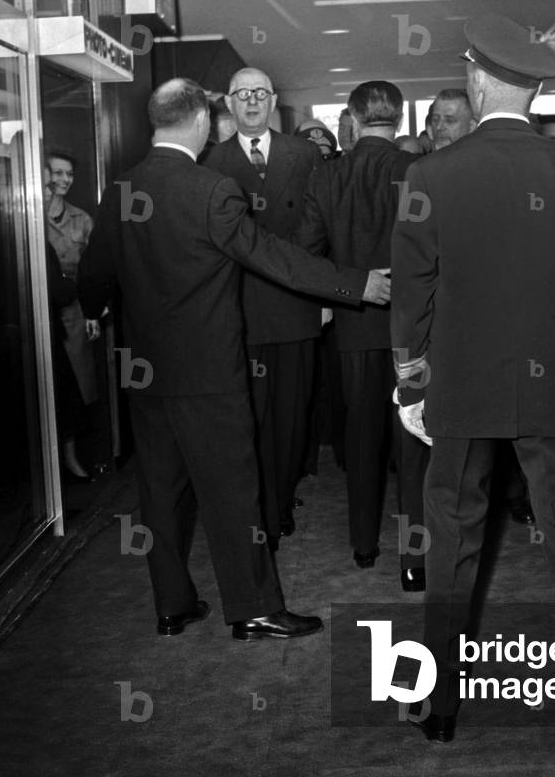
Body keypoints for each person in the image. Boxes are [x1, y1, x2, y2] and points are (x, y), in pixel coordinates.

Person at [79, 78, 389, 641]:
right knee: (232, 492)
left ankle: (172, 605)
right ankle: (253, 609)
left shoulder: (120, 190)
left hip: (144, 372)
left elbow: (94, 276)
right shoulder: (212, 189)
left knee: (161, 492)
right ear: (201, 121)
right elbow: (273, 258)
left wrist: (98, 311)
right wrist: (357, 285)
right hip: (210, 374)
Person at [391, 14, 555, 743]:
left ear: (478, 78)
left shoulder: (429, 174)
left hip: (458, 391)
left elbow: (412, 294)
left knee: (451, 542)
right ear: (534, 91)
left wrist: (411, 384)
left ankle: (439, 701)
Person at [292, 80, 424, 586]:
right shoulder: (417, 170)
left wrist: (349, 287)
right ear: (400, 117)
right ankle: (415, 564)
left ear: (350, 117)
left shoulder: (327, 176)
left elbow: (307, 252)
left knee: (362, 442)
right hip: (413, 330)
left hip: (353, 328)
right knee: (413, 448)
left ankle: (364, 546)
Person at [203, 67, 324, 548]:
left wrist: (317, 292)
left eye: (259, 93)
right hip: (241, 311)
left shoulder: (306, 154)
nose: (251, 102)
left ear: (273, 101)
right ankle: (265, 508)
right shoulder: (212, 161)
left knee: (292, 418)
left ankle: (281, 495)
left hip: (295, 305)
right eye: (241, 95)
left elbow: (318, 226)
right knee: (251, 419)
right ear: (229, 105)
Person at [43, 149, 98, 480]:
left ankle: (72, 456)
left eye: (69, 174)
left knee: (76, 386)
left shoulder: (82, 219)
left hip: (74, 312)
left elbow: (92, 270)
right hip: (43, 312)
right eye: (58, 173)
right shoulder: (30, 218)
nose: (64, 180)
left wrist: (92, 309)